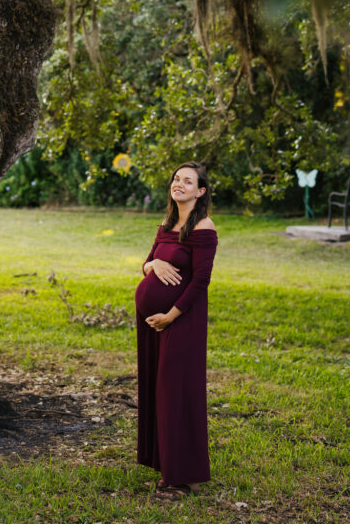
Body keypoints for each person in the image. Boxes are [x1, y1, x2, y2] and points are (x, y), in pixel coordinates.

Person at [135, 160, 218, 500]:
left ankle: (184, 478)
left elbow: (201, 280)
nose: (179, 183)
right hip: (153, 324)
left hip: (181, 320)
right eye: (176, 179)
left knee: (176, 392)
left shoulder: (204, 227)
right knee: (159, 391)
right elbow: (146, 264)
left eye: (188, 181)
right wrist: (154, 263)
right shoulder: (167, 224)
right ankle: (167, 465)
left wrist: (170, 315)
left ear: (200, 192)